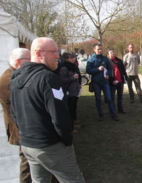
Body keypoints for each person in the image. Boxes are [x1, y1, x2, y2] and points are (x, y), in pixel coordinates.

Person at [10, 37, 85, 183]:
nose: (58, 56)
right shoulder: (48, 78)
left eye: (58, 51)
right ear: (39, 53)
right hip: (49, 146)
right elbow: (59, 115)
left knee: (40, 181)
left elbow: (15, 114)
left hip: (28, 145)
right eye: (54, 52)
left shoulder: (16, 78)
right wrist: (67, 139)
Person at [0, 48, 31, 183]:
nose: (32, 63)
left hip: (24, 127)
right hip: (20, 129)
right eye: (29, 60)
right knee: (27, 164)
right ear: (19, 62)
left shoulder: (15, 75)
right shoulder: (8, 79)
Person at [86, 44, 118, 121]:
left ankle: (113, 114)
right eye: (98, 49)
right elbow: (88, 70)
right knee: (98, 99)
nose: (100, 50)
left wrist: (108, 74)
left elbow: (110, 68)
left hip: (105, 82)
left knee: (109, 98)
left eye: (101, 49)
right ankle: (101, 114)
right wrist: (97, 69)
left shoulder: (105, 59)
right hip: (96, 82)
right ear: (94, 50)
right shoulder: (91, 60)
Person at [59, 52, 82, 133]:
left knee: (73, 108)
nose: (73, 59)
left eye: (73, 57)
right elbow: (62, 80)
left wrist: (79, 83)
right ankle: (70, 128)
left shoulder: (74, 67)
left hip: (75, 91)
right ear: (66, 59)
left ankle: (73, 124)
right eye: (71, 58)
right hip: (69, 92)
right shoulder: (64, 68)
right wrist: (72, 77)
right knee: (69, 109)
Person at [108, 49, 128, 114]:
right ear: (108, 54)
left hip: (120, 82)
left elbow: (123, 70)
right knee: (112, 97)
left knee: (120, 96)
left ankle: (120, 109)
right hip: (112, 82)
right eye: (110, 53)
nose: (112, 53)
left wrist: (125, 78)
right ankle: (113, 110)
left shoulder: (119, 61)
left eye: (113, 52)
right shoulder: (107, 62)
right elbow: (107, 73)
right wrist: (111, 81)